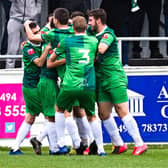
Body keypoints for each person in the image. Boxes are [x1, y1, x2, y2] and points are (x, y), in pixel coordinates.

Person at [88, 8, 148, 155]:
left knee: (122, 110)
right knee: (103, 114)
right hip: (100, 79)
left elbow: (101, 49)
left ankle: (140, 143)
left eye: (90, 20)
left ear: (98, 20)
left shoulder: (108, 34)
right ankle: (119, 143)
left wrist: (84, 46)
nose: (89, 24)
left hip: (114, 77)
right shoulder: (91, 34)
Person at [47, 16, 106, 156]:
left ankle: (61, 143)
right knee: (91, 116)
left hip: (70, 84)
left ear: (72, 28)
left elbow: (51, 60)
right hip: (88, 84)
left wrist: (66, 58)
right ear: (86, 27)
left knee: (59, 109)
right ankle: (101, 149)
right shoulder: (93, 41)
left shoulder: (66, 41)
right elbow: (97, 56)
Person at [9, 22, 51, 155]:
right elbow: (39, 62)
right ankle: (50, 145)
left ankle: (15, 147)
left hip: (36, 86)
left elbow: (48, 26)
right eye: (37, 32)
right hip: (31, 87)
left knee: (31, 117)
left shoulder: (41, 42)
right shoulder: (28, 48)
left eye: (40, 31)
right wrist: (46, 50)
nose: (40, 34)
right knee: (51, 116)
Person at [6, 0, 43, 69]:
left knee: (27, 45)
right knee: (12, 47)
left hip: (30, 19)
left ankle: (25, 69)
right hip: (15, 18)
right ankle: (9, 69)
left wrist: (36, 11)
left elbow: (39, 2)